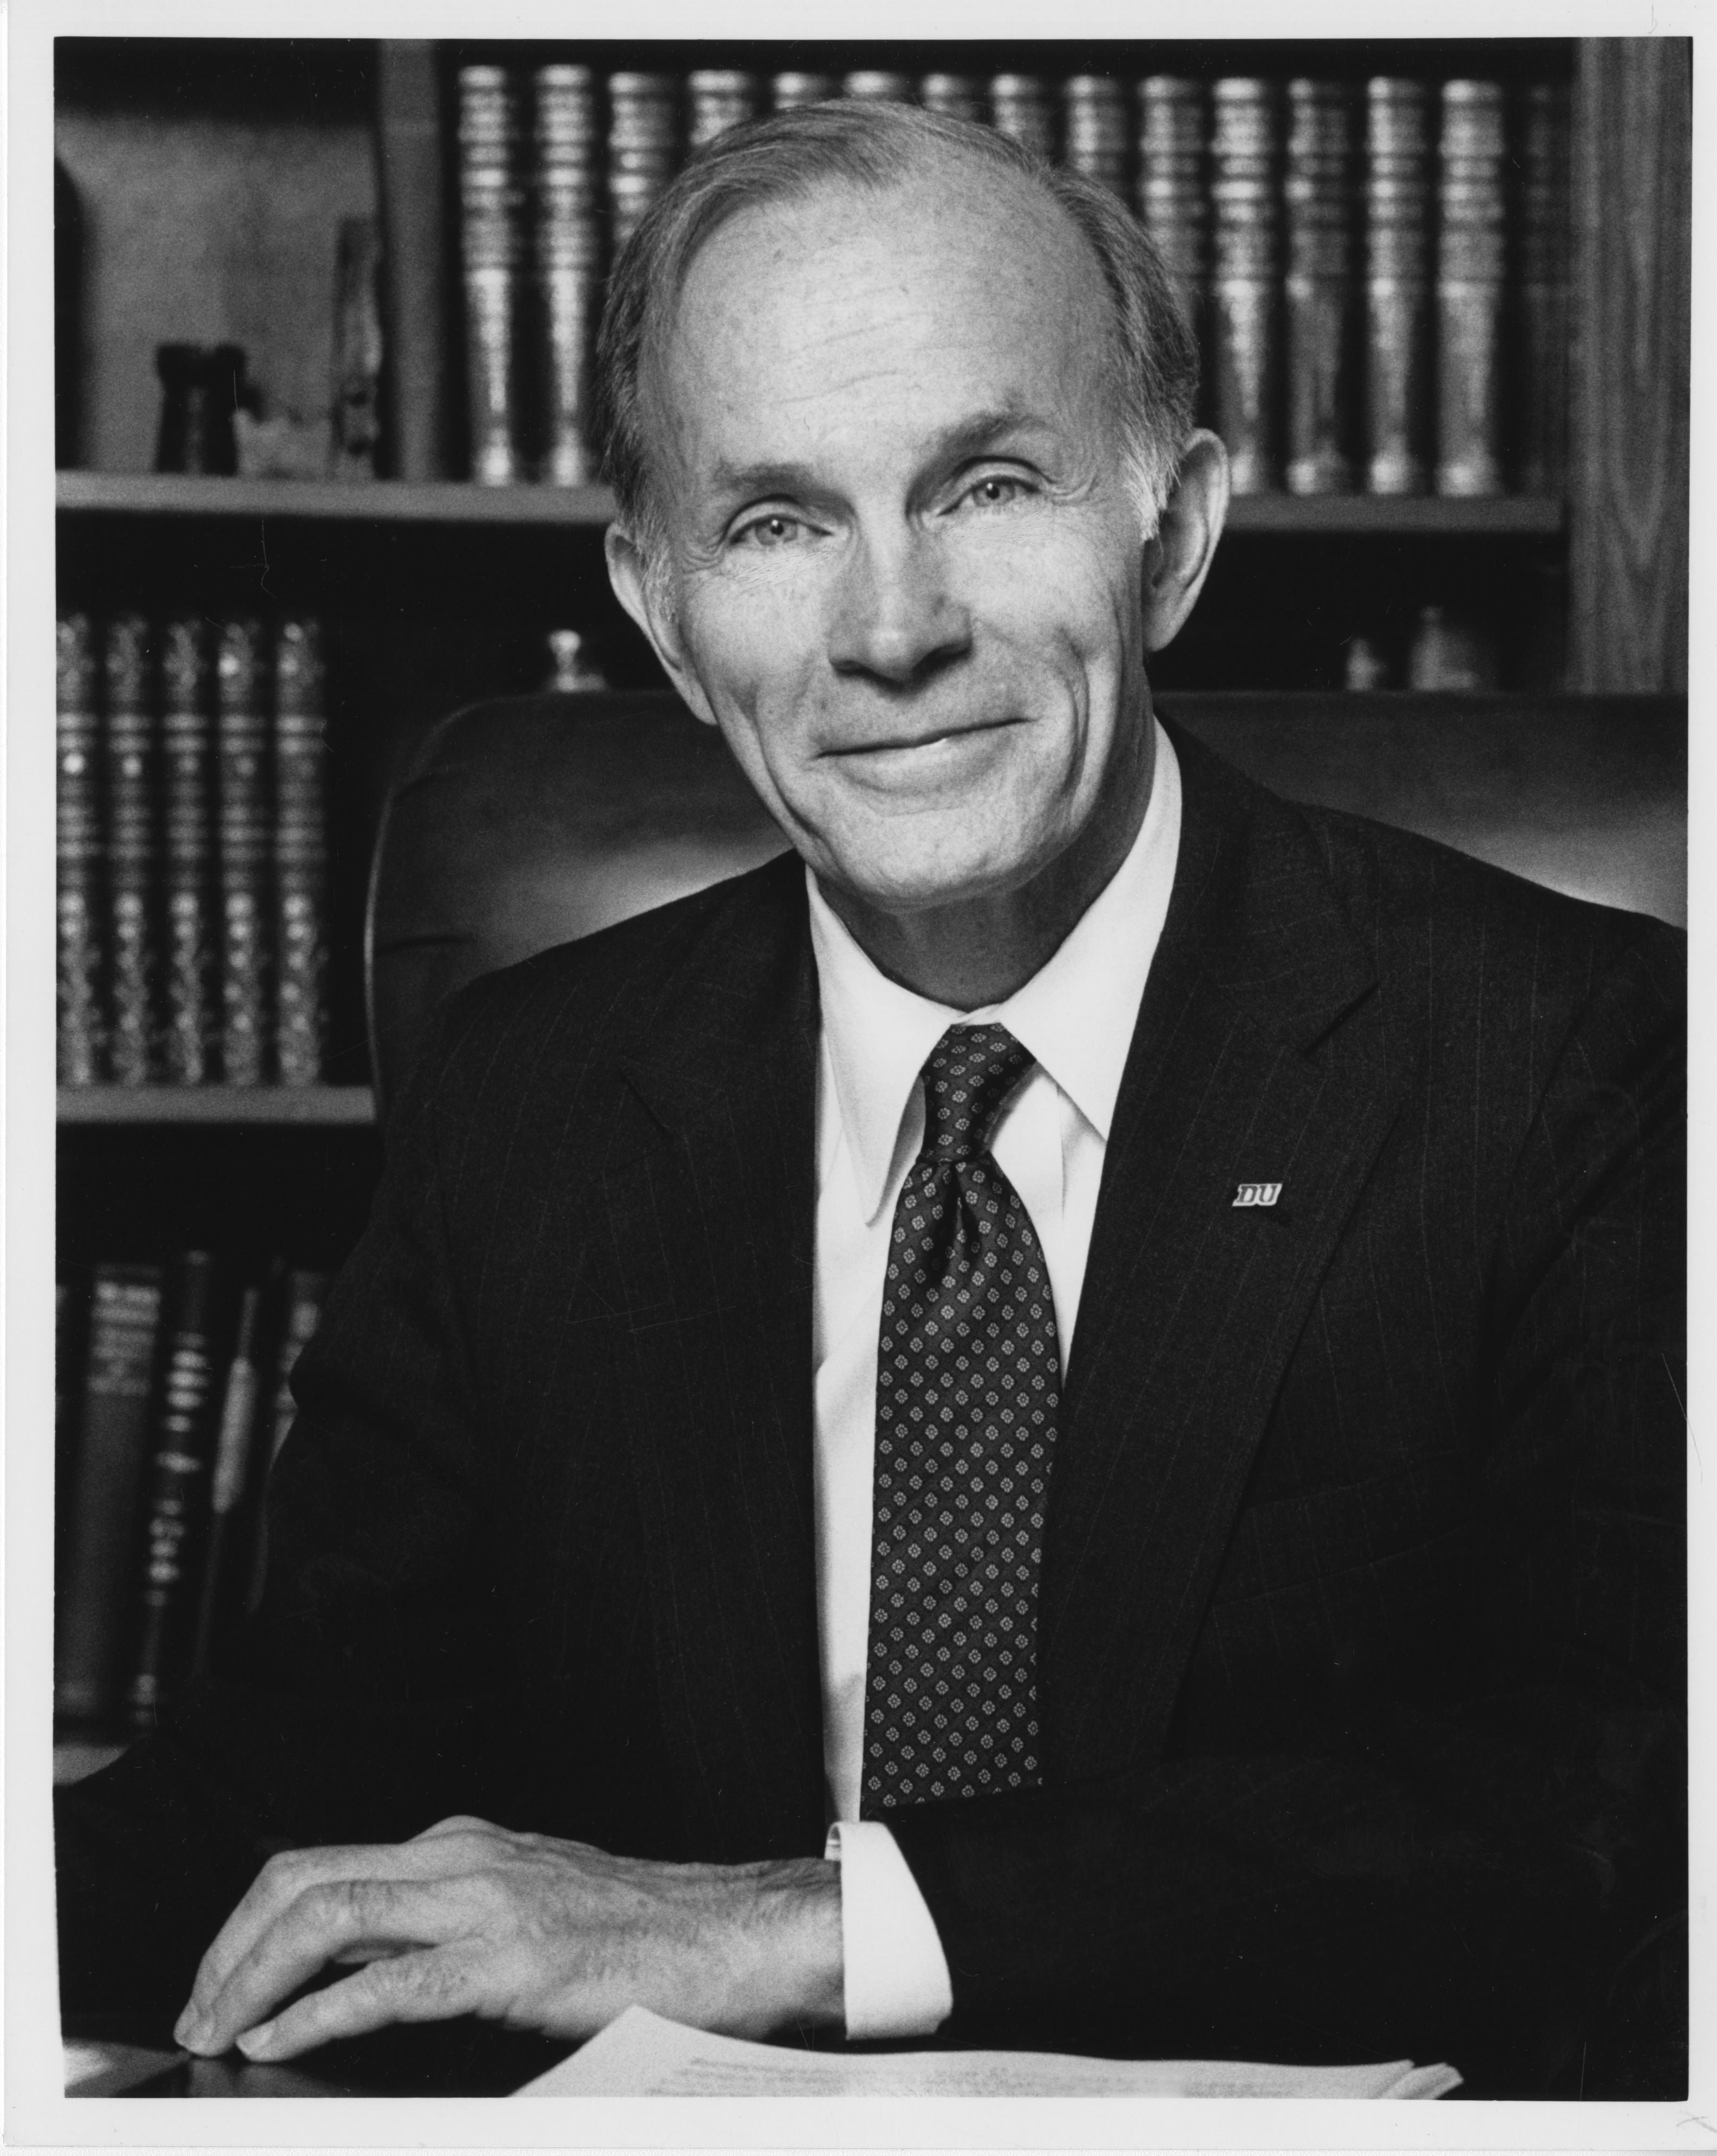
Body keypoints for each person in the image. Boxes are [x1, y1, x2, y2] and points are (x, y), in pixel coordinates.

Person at [56, 100, 1685, 2096]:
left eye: (988, 484)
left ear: (1169, 532)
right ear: (659, 615)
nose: (890, 629)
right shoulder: (533, 1097)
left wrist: (784, 1924)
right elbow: (292, 1777)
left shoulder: (1579, 1056)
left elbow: (1597, 1808)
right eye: (773, 522)